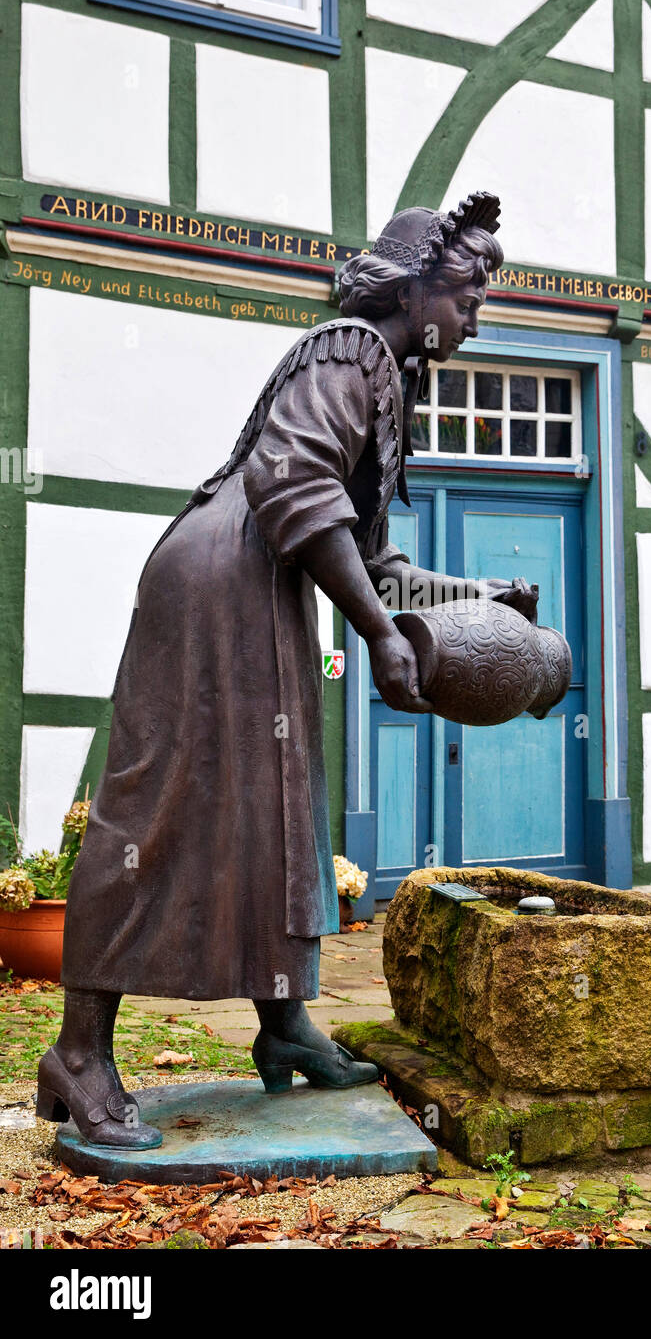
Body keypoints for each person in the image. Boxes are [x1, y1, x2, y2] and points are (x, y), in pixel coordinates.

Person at [38, 191, 537, 1149]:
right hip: (217, 581)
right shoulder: (350, 349)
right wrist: (377, 634)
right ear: (418, 285)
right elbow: (294, 486)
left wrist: (472, 597)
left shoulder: (383, 376)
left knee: (280, 802)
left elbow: (372, 559)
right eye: (468, 295)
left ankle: (283, 1028)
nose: (475, 316)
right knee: (158, 805)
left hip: (265, 591)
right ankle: (79, 1053)